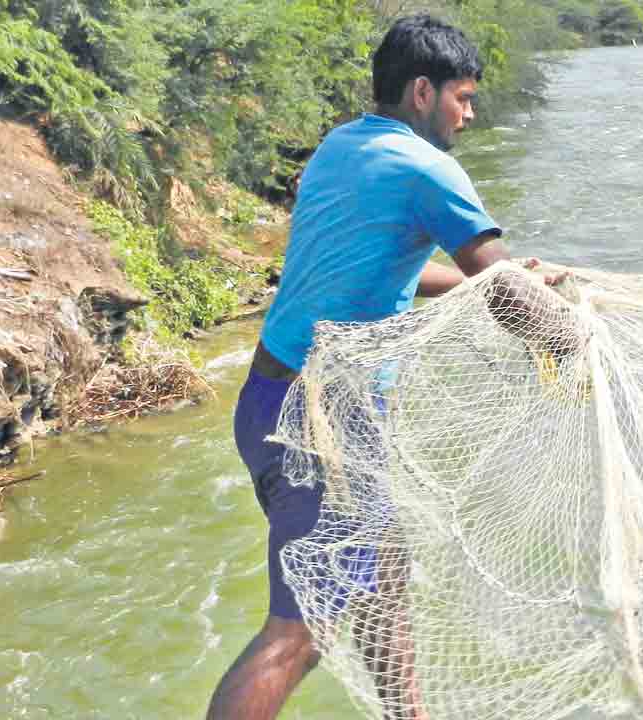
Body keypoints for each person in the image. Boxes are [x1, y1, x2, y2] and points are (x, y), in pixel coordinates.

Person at [207, 14, 569, 720]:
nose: (468, 115)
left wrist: (494, 284)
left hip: (271, 403)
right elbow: (505, 293)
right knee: (300, 636)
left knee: (382, 576)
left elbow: (387, 268)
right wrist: (575, 337)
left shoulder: (341, 147)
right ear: (422, 92)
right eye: (463, 98)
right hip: (317, 424)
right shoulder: (429, 168)